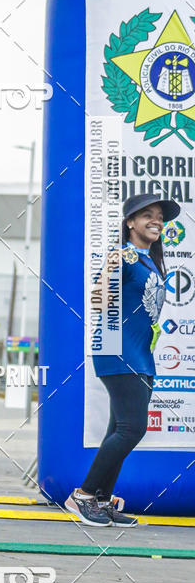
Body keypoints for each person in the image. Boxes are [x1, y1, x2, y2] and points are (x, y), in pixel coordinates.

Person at [65, 192, 179, 528]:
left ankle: (101, 498)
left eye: (159, 216)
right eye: (147, 215)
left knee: (119, 427)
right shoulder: (124, 255)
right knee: (133, 428)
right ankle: (83, 495)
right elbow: (100, 301)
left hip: (140, 355)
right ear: (130, 222)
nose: (156, 220)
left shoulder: (148, 261)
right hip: (120, 352)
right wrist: (110, 272)